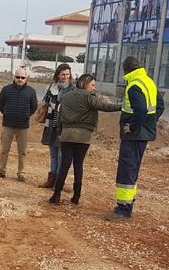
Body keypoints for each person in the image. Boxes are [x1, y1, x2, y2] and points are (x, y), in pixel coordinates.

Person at [105, 56, 165, 221]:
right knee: (132, 169)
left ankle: (124, 209)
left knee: (127, 169)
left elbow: (141, 110)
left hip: (133, 135)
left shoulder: (134, 85)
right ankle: (127, 204)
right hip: (142, 134)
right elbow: (159, 106)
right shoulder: (148, 81)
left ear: (125, 70)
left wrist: (133, 127)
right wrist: (148, 124)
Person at [48, 74, 120, 205]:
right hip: (83, 136)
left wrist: (60, 131)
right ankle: (76, 197)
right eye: (92, 85)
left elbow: (59, 115)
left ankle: (56, 195)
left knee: (64, 164)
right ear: (85, 84)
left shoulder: (65, 96)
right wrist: (122, 107)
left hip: (67, 134)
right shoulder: (89, 97)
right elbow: (104, 107)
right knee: (78, 164)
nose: (93, 88)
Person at [0, 68, 38, 182]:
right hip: (8, 124)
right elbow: (0, 104)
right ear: (14, 77)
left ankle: (21, 173)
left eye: (22, 78)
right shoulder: (6, 90)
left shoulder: (31, 91)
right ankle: (1, 171)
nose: (20, 80)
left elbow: (34, 106)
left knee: (22, 151)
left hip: (23, 126)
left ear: (26, 78)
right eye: (18, 77)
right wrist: (7, 113)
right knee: (4, 150)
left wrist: (25, 115)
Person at [37, 64, 75, 189]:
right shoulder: (52, 87)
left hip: (64, 127)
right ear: (58, 75)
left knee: (61, 155)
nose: (65, 77)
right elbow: (44, 102)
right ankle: (51, 180)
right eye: (63, 74)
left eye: (67, 74)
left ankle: (59, 182)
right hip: (51, 126)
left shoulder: (72, 89)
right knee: (53, 153)